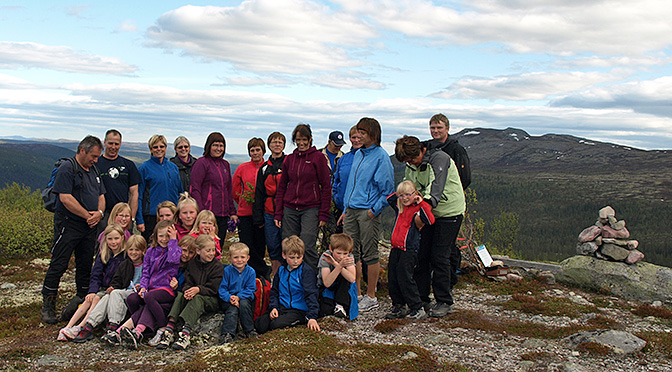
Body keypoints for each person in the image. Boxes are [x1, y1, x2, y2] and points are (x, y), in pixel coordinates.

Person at [395, 135, 465, 318]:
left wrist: (420, 214)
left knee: (440, 256)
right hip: (426, 213)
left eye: (412, 159)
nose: (412, 164)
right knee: (421, 254)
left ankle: (444, 300)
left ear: (420, 151)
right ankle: (422, 297)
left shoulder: (439, 159)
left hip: (448, 212)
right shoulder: (412, 163)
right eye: (407, 161)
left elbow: (435, 191)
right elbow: (411, 187)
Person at [41, 135, 106, 324]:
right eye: (93, 156)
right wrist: (87, 215)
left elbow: (101, 194)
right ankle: (48, 305)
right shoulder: (67, 168)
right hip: (68, 225)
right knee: (59, 263)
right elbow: (65, 198)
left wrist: (100, 213)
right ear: (82, 150)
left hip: (89, 226)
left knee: (85, 264)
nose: (96, 160)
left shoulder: (93, 169)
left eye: (97, 157)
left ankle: (81, 301)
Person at [339, 118, 394, 313]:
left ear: (373, 134)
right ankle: (357, 293)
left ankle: (371, 296)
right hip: (352, 210)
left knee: (370, 253)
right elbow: (351, 186)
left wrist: (374, 210)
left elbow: (388, 190)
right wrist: (346, 209)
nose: (359, 135)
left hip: (367, 212)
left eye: (363, 132)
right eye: (358, 132)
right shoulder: (359, 154)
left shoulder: (381, 157)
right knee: (351, 253)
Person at [274, 124, 331, 271]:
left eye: (304, 139)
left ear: (310, 139)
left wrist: (323, 213)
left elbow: (326, 186)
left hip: (311, 208)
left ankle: (312, 279)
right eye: (298, 139)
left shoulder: (318, 158)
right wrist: (278, 213)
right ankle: (290, 280)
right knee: (288, 245)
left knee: (307, 244)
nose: (301, 143)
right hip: (290, 208)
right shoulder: (290, 159)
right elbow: (282, 187)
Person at [118, 220, 182, 350]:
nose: (164, 239)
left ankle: (161, 327)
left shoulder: (175, 250)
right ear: (155, 236)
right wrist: (143, 287)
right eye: (161, 236)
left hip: (167, 289)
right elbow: (145, 273)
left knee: (149, 298)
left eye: (167, 236)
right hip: (151, 289)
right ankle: (141, 330)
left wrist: (173, 241)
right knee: (132, 298)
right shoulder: (150, 252)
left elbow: (174, 259)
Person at [58, 224, 127, 341]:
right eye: (110, 239)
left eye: (116, 238)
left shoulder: (125, 256)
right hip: (102, 288)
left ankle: (81, 326)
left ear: (122, 238)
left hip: (114, 289)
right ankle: (68, 326)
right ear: (105, 240)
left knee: (96, 299)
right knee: (89, 299)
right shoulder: (104, 254)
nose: (113, 242)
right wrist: (92, 291)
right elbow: (96, 275)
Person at [77, 235, 147, 344]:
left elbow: (149, 278)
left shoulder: (146, 265)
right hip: (123, 292)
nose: (133, 253)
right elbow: (117, 279)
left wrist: (142, 286)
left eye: (137, 250)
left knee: (116, 294)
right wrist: (113, 286)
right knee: (107, 297)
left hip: (138, 293)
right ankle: (90, 325)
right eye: (131, 250)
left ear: (143, 251)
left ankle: (113, 324)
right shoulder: (125, 264)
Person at [158, 235, 223, 351]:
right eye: (208, 250)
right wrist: (187, 291)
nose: (211, 253)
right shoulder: (192, 264)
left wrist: (198, 289)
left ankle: (185, 333)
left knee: (198, 298)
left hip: (211, 299)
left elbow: (214, 288)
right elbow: (188, 281)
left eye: (213, 250)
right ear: (198, 251)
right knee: (180, 295)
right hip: (194, 293)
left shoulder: (217, 267)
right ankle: (169, 329)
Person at [384, 180, 435, 321]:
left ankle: (417, 307)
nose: (405, 198)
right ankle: (398, 306)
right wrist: (401, 193)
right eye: (402, 195)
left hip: (409, 249)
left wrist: (420, 201)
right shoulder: (399, 207)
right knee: (393, 278)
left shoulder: (417, 210)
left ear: (414, 194)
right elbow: (390, 198)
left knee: (405, 278)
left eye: (408, 195)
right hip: (396, 248)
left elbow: (430, 221)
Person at [254, 236, 320, 334]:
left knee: (275, 325)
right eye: (292, 258)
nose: (296, 261)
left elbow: (311, 294)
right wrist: (274, 307)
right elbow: (274, 291)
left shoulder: (306, 271)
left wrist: (312, 317)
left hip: (298, 310)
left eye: (299, 257)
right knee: (260, 324)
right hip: (282, 307)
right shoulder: (281, 271)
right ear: (284, 255)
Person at [147, 234, 197, 347]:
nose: (186, 255)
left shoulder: (191, 268)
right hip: (160, 291)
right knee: (147, 303)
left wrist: (177, 286)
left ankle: (164, 328)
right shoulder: (171, 261)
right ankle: (140, 330)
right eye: (184, 250)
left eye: (190, 253)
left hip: (174, 299)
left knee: (150, 301)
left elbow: (187, 286)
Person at [190, 132, 237, 244]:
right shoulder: (201, 163)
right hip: (208, 214)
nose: (218, 148)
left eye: (221, 146)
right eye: (215, 145)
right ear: (209, 146)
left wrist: (232, 212)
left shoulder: (225, 164)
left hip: (223, 214)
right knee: (205, 244)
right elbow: (195, 189)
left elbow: (228, 190)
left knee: (218, 245)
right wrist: (202, 212)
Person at [136, 134, 183, 242]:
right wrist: (140, 220)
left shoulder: (173, 168)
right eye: (155, 147)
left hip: (172, 216)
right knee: (152, 247)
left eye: (162, 146)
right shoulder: (144, 168)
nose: (159, 149)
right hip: (151, 217)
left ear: (166, 148)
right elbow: (139, 195)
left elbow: (180, 193)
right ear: (151, 149)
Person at [233, 137, 268, 278]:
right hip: (245, 212)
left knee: (260, 245)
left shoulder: (268, 167)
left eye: (257, 150)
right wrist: (241, 201)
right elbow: (235, 190)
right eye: (252, 150)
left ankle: (258, 275)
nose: (255, 153)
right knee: (246, 244)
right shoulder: (242, 168)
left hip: (263, 212)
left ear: (263, 151)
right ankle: (263, 270)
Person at [253, 132, 286, 278]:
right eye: (274, 142)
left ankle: (287, 279)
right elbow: (259, 193)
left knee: (287, 245)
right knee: (273, 246)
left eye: (280, 142)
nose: (277, 144)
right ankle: (276, 277)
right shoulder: (265, 168)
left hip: (287, 212)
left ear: (284, 145)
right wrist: (258, 217)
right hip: (269, 211)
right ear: (269, 145)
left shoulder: (289, 164)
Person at [96, 129, 140, 233]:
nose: (113, 147)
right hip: (103, 215)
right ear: (104, 142)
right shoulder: (96, 164)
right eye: (110, 143)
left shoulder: (129, 165)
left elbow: (134, 194)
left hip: (123, 214)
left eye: (116, 144)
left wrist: (132, 218)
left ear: (120, 144)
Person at [218, 242, 257, 344]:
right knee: (232, 309)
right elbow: (222, 289)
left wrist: (239, 297)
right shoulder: (227, 271)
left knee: (244, 305)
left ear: (248, 258)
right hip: (229, 298)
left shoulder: (251, 271)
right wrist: (230, 297)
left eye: (242, 257)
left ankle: (249, 330)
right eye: (236, 257)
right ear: (230, 258)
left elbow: (251, 289)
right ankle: (227, 333)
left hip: (245, 297)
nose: (239, 260)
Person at [317, 233, 358, 320]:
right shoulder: (326, 257)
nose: (342, 257)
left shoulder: (349, 257)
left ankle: (340, 304)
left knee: (345, 277)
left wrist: (336, 265)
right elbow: (327, 283)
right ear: (331, 249)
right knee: (325, 311)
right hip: (327, 288)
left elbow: (352, 279)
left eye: (345, 253)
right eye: (338, 253)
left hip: (343, 289)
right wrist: (339, 266)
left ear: (350, 252)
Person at [318, 130, 346, 254]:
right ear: (329, 142)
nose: (338, 147)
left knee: (335, 232)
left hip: (337, 200)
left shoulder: (344, 157)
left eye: (340, 145)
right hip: (320, 198)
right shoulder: (318, 155)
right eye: (336, 144)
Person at [428, 114, 471, 190]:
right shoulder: (427, 147)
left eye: (439, 128)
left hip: (450, 196)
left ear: (447, 129)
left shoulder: (457, 150)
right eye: (432, 128)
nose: (435, 131)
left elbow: (465, 178)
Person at [332, 126, 363, 215]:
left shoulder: (368, 159)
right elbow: (336, 180)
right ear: (350, 138)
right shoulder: (343, 159)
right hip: (340, 207)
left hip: (360, 209)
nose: (356, 140)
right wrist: (336, 198)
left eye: (359, 138)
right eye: (353, 137)